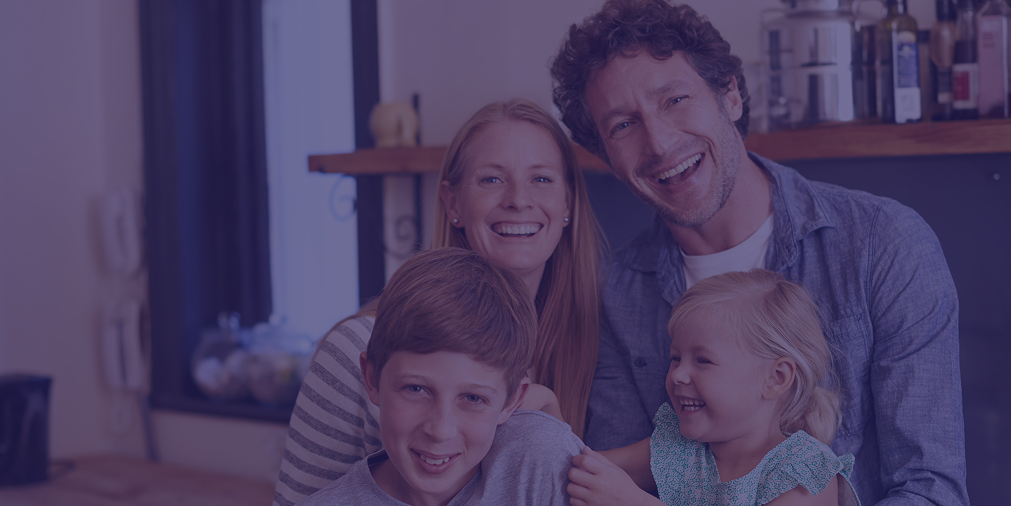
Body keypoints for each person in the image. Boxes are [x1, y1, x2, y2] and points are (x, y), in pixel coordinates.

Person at [550, 1, 967, 504]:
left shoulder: (885, 243)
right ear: (606, 157)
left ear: (730, 96)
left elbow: (929, 490)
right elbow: (601, 483)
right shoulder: (615, 292)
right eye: (622, 125)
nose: (658, 142)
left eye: (675, 99)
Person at [274, 99, 605, 505]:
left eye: (541, 178)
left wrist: (548, 413)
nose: (519, 199)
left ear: (568, 202)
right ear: (452, 203)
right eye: (491, 179)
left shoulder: (590, 344)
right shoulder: (355, 346)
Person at [298, 247, 584, 506]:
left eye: (473, 398)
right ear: (372, 378)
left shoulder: (542, 463)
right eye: (416, 389)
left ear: (511, 400)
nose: (440, 430)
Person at [568, 270, 860, 506]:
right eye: (675, 358)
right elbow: (576, 467)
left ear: (776, 378)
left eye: (703, 360)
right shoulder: (678, 450)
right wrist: (550, 419)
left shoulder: (807, 474)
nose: (678, 374)